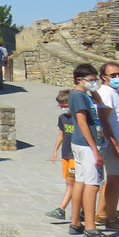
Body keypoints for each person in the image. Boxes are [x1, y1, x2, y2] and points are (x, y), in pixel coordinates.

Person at [68, 63, 117, 237]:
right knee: (93, 183)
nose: (94, 83)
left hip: (81, 144)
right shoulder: (79, 96)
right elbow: (82, 122)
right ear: (79, 80)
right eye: (90, 80)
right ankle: (90, 227)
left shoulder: (84, 95)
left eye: (96, 80)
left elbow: (99, 103)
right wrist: (95, 150)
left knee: (81, 181)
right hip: (87, 145)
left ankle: (75, 222)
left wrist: (94, 90)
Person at [95, 61, 119, 231]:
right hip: (112, 143)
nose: (117, 78)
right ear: (104, 77)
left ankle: (102, 212)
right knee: (115, 180)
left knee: (114, 179)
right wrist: (115, 145)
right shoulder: (106, 93)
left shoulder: (115, 92)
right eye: (113, 75)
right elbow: (104, 121)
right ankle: (111, 219)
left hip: (118, 140)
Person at [46, 90, 76, 220]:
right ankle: (79, 209)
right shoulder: (62, 118)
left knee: (71, 182)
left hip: (75, 154)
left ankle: (62, 209)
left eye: (65, 105)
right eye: (61, 106)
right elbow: (61, 135)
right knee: (69, 182)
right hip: (66, 153)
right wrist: (55, 151)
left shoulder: (78, 117)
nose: (64, 108)